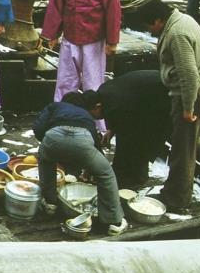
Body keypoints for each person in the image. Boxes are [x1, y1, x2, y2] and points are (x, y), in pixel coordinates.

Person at [143, 0, 200, 212]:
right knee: (182, 146)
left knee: (183, 149)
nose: (149, 31)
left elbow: (189, 74)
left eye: (149, 26)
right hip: (195, 89)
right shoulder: (182, 20)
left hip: (190, 94)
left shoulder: (177, 34)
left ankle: (177, 199)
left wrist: (188, 109)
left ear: (158, 19)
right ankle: (174, 191)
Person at [40, 0, 121, 115]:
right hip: (70, 39)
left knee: (93, 82)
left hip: (94, 41)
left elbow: (113, 12)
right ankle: (59, 115)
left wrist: (112, 41)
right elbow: (55, 9)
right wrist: (52, 35)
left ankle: (98, 124)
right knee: (65, 80)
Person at [33, 92, 128, 236]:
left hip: (53, 136)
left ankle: (50, 203)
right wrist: (91, 167)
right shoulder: (86, 115)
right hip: (82, 139)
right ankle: (114, 222)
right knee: (106, 174)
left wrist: (49, 143)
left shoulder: (55, 106)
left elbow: (38, 128)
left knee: (46, 161)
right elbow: (95, 146)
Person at [80, 70, 171, 190]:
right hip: (146, 94)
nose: (94, 119)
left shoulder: (115, 105)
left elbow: (125, 135)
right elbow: (119, 112)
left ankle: (136, 180)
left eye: (92, 115)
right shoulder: (103, 92)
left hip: (162, 98)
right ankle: (125, 176)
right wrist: (111, 130)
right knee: (128, 143)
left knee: (138, 144)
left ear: (97, 106)